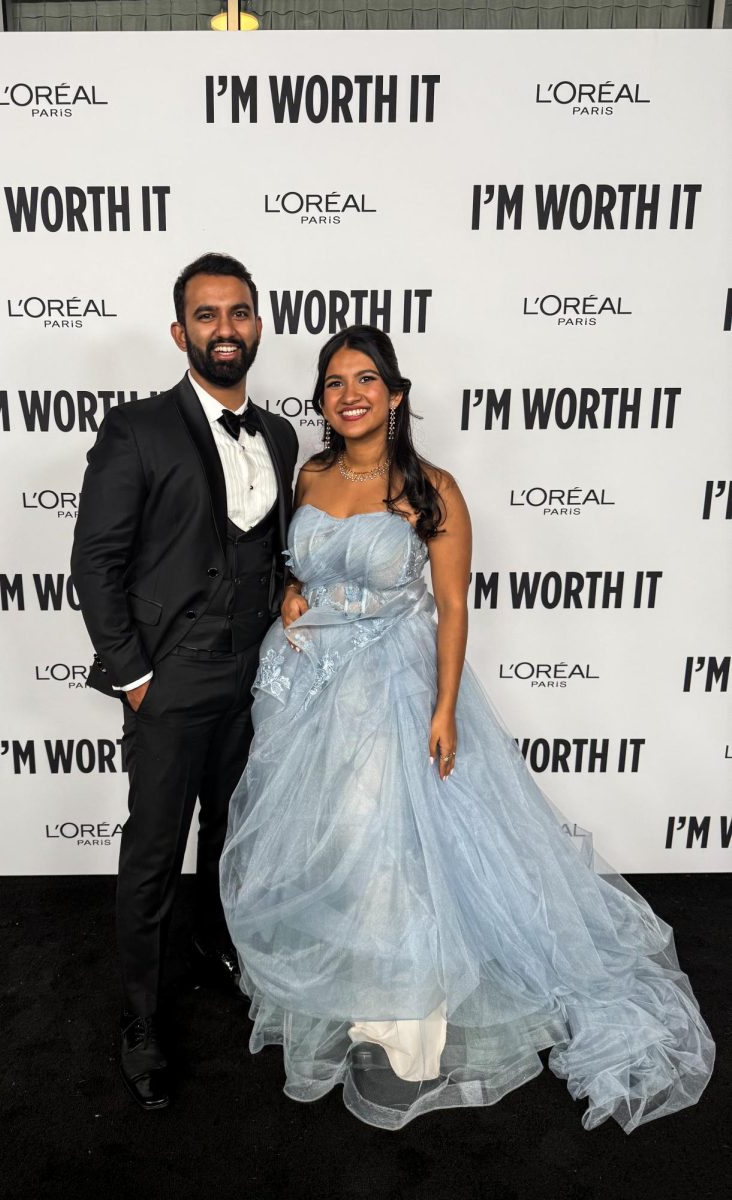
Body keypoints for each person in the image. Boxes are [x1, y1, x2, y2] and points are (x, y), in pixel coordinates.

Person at [219, 325, 714, 1133]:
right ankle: (351, 979)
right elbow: (301, 567)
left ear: (396, 394)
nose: (350, 394)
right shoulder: (308, 475)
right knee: (336, 841)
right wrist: (289, 595)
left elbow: (451, 607)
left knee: (393, 840)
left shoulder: (432, 488)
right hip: (304, 689)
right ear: (320, 400)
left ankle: (405, 1010)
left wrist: (444, 707)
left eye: (367, 379)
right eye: (335, 382)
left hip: (395, 685)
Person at [71, 252, 299, 1111]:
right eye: (207, 316)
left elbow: (271, 548)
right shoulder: (137, 430)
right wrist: (133, 678)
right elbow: (95, 563)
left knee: (233, 835)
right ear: (181, 333)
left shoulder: (278, 435)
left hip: (253, 681)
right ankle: (139, 1019)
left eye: (239, 313)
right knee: (153, 852)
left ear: (257, 326)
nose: (225, 329)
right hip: (168, 683)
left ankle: (212, 950)